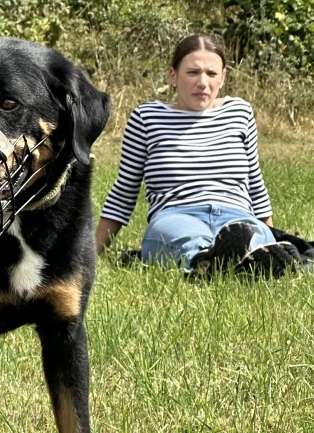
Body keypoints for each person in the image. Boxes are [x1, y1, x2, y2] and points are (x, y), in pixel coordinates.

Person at [95, 34, 282, 275]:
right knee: (184, 237)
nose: (203, 82)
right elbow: (124, 190)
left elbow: (255, 183)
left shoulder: (240, 112)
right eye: (193, 73)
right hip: (176, 215)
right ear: (173, 76)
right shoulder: (146, 118)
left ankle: (256, 253)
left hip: (236, 214)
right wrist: (90, 252)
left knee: (252, 234)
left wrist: (272, 234)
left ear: (223, 77)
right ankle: (206, 260)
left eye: (211, 74)